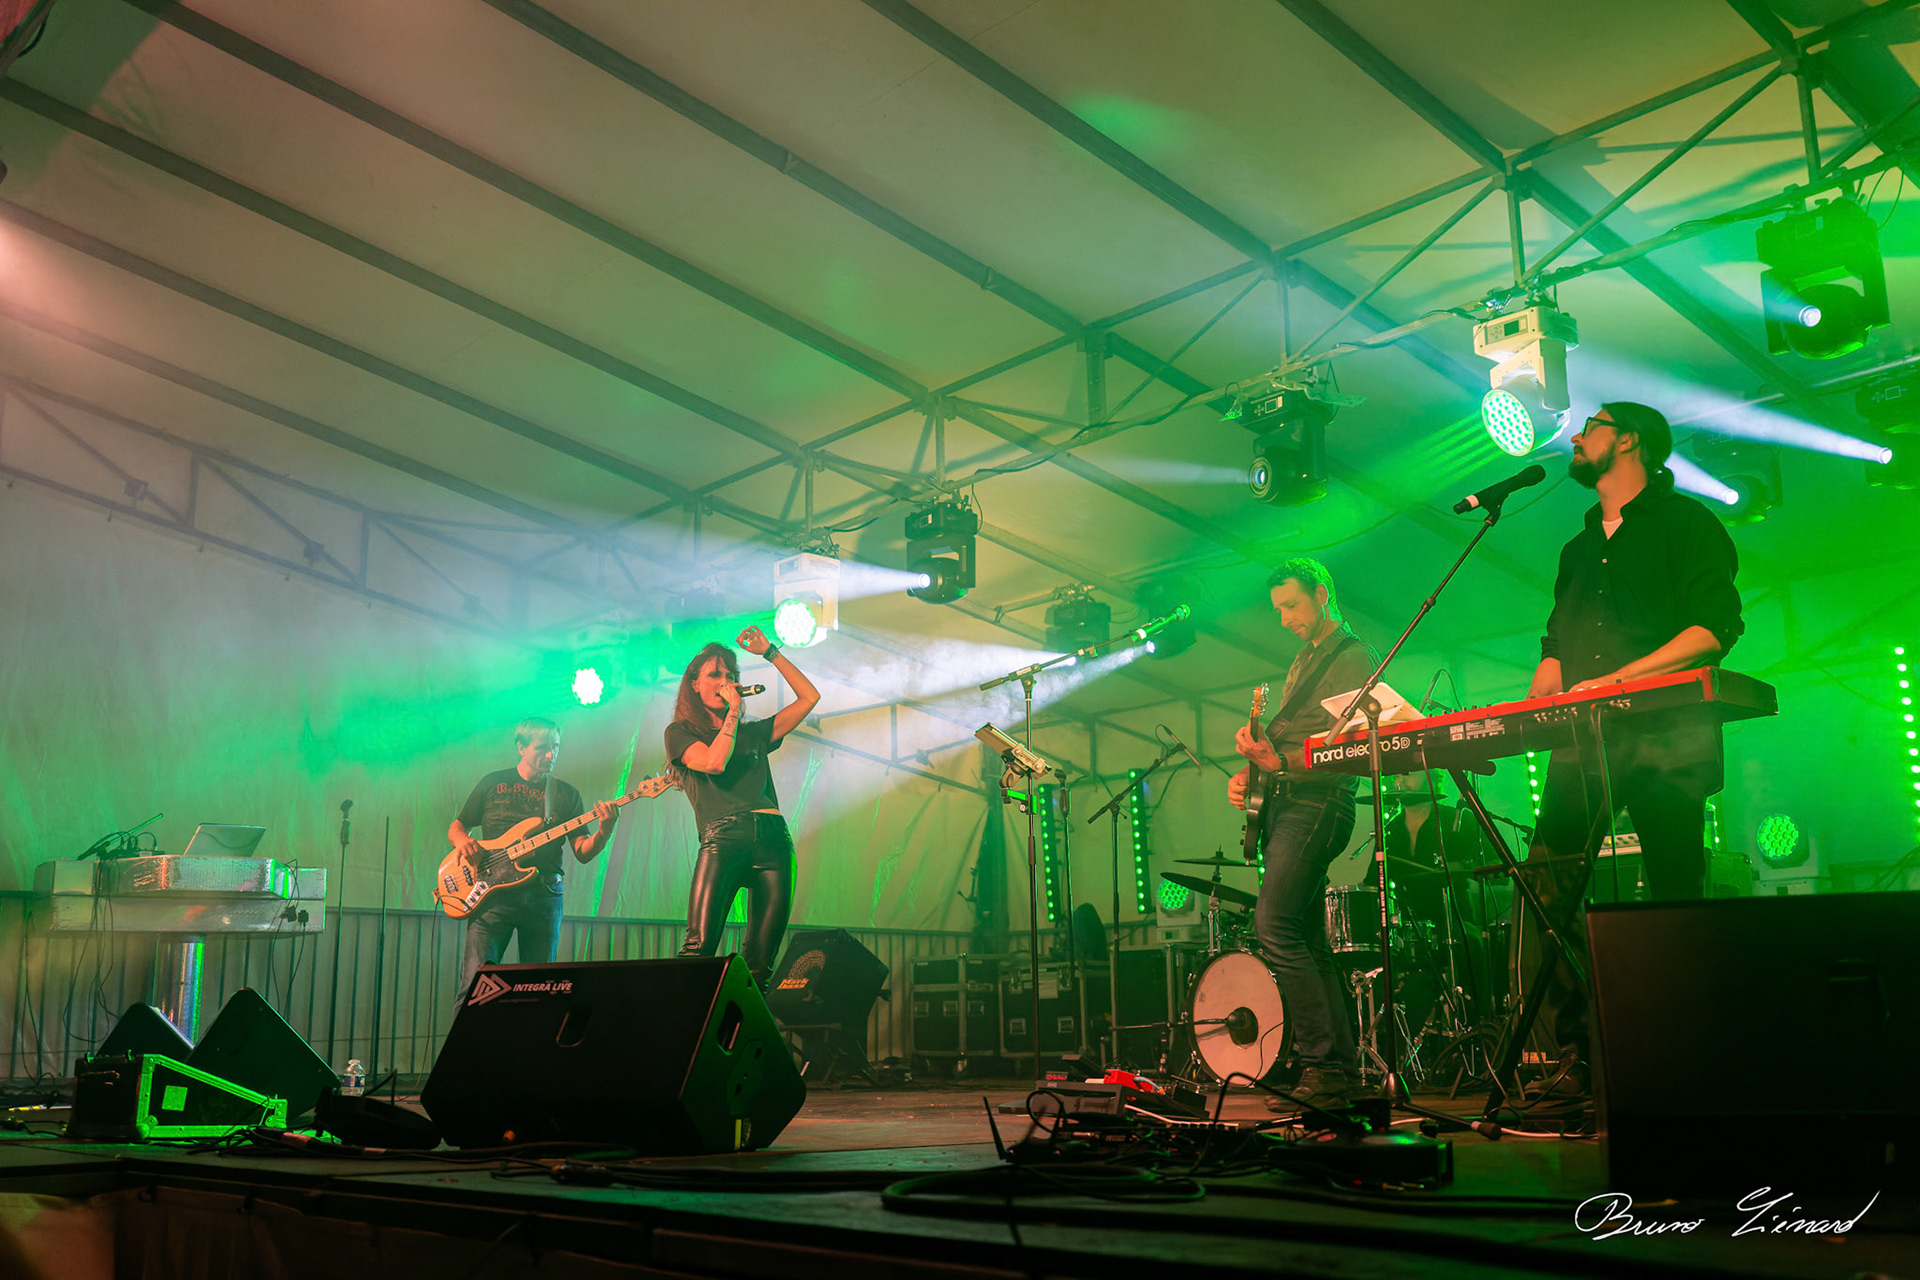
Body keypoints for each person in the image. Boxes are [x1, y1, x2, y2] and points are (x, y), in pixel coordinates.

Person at [1522, 401, 1744, 1091]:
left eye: (1592, 424)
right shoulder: (1577, 548)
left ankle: (1689, 1054)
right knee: (1543, 893)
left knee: (1676, 894)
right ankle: (1576, 1056)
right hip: (1582, 746)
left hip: (1665, 736)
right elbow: (1557, 651)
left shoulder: (1688, 524)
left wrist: (1615, 681)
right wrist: (1529, 707)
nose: (1578, 436)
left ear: (1630, 441)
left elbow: (1712, 629)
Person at [1228, 558, 1379, 1110]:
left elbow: (1352, 747)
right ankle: (1337, 1069)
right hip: (1290, 803)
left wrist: (1281, 762)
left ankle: (1321, 1064)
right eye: (1279, 610)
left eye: (1292, 605)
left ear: (1322, 594)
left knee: (1273, 924)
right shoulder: (1303, 661)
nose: (1285, 619)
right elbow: (1296, 742)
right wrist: (1254, 771)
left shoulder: (1352, 656)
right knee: (1308, 940)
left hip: (1319, 805)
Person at [667, 626, 820, 990]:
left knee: (761, 967)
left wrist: (771, 652)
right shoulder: (681, 732)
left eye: (732, 676)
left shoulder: (755, 734)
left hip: (774, 841)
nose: (726, 681)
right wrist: (734, 711)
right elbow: (715, 763)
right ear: (694, 684)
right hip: (724, 840)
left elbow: (809, 697)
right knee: (698, 950)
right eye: (715, 675)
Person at [449, 717, 617, 998]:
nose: (551, 755)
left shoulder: (565, 794)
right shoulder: (493, 782)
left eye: (556, 747)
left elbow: (583, 852)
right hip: (491, 896)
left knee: (539, 989)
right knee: (475, 989)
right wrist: (463, 842)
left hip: (544, 895)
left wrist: (605, 831)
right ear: (521, 747)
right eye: (542, 748)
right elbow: (458, 825)